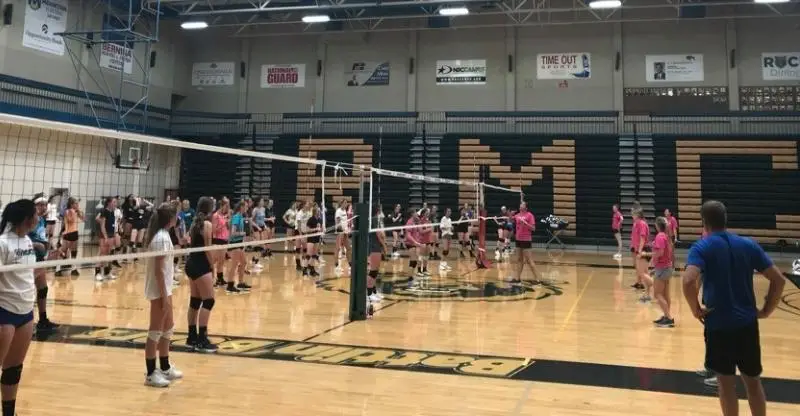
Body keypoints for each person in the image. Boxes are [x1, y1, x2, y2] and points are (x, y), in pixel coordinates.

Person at [681, 200, 786, 416]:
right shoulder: (748, 245)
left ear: (704, 223)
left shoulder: (701, 247)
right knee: (753, 383)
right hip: (747, 325)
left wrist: (695, 309)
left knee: (726, 385)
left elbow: (688, 281)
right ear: (725, 220)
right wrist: (766, 310)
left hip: (719, 326)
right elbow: (779, 280)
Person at [0, 199, 40, 416]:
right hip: (4, 310)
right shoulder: (3, 242)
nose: (39, 217)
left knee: (13, 369)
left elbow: (26, 273)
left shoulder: (27, 242)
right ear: (27, 218)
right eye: (36, 214)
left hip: (25, 311)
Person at [143, 203, 183, 387]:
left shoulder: (165, 235)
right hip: (160, 290)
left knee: (168, 328)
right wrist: (164, 296)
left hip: (166, 288)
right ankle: (151, 373)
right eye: (176, 215)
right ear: (171, 218)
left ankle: (165, 367)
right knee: (155, 331)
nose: (179, 218)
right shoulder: (160, 238)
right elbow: (159, 271)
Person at [184, 197, 218, 353]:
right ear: (209, 208)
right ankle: (202, 340)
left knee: (195, 301)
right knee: (209, 301)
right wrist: (213, 266)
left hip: (191, 263)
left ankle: (192, 337)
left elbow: (188, 240)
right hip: (201, 264)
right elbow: (207, 248)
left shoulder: (194, 223)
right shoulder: (207, 224)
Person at [30, 197, 59, 332]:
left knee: (42, 289)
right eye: (40, 205)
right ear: (33, 206)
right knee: (28, 291)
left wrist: (49, 250)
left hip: (40, 259)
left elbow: (43, 239)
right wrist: (36, 246)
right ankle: (26, 322)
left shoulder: (41, 220)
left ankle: (42, 320)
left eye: (45, 204)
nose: (43, 207)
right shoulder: (29, 220)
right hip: (29, 260)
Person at [508, 202, 541, 284]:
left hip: (526, 240)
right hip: (518, 239)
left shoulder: (530, 215)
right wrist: (510, 214)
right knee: (519, 259)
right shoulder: (517, 215)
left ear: (526, 207)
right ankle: (517, 278)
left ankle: (537, 279)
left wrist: (526, 224)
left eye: (522, 204)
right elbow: (509, 220)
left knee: (529, 260)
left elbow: (533, 228)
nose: (520, 205)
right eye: (520, 204)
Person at [650, 217, 674, 328]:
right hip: (667, 267)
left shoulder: (660, 236)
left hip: (662, 268)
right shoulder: (666, 236)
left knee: (657, 294)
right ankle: (666, 315)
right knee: (665, 294)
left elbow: (660, 252)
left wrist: (648, 255)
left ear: (657, 225)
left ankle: (668, 318)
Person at [54, 197, 83, 277]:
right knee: (63, 251)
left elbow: (84, 219)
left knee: (74, 252)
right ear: (71, 204)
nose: (77, 205)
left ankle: (74, 269)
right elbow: (70, 220)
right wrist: (75, 212)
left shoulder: (76, 211)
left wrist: (79, 212)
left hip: (75, 233)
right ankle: (57, 269)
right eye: (76, 204)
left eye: (77, 204)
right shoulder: (67, 211)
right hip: (68, 233)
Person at [367, 206, 388, 311]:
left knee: (375, 271)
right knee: (373, 271)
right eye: (380, 210)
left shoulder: (376, 219)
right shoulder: (374, 219)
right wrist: (384, 246)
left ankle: (373, 291)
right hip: (374, 247)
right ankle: (368, 294)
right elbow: (379, 234)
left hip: (376, 246)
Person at [226, 201, 249, 294]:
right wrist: (242, 233)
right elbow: (233, 232)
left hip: (239, 243)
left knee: (243, 262)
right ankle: (230, 285)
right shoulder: (236, 217)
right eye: (246, 206)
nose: (247, 208)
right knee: (234, 264)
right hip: (234, 243)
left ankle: (240, 282)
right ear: (241, 207)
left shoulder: (241, 217)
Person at [631, 208, 654, 301]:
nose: (632, 215)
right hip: (641, 249)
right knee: (645, 272)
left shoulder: (641, 224)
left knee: (641, 273)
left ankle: (657, 285)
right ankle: (648, 294)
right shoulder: (637, 224)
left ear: (637, 215)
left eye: (633, 213)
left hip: (644, 250)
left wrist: (640, 251)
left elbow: (642, 238)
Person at [95, 197, 118, 281]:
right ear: (109, 203)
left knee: (108, 254)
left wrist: (114, 235)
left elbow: (112, 224)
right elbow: (102, 225)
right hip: (104, 235)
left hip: (111, 234)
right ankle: (97, 273)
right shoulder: (105, 211)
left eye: (116, 202)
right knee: (102, 254)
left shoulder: (112, 212)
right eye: (114, 202)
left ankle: (107, 273)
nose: (116, 203)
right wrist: (105, 237)